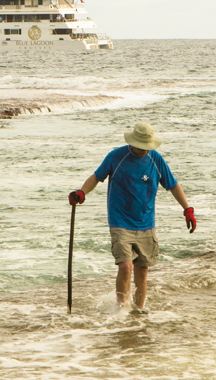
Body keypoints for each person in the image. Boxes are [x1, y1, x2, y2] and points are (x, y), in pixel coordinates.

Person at [68, 121, 195, 312]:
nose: (145, 151)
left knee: (142, 272)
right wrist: (82, 192)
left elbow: (173, 185)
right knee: (126, 266)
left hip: (146, 223)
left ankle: (139, 312)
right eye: (142, 147)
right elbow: (96, 177)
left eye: (148, 147)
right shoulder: (116, 157)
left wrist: (187, 209)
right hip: (120, 221)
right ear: (133, 142)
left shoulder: (156, 159)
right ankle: (122, 311)